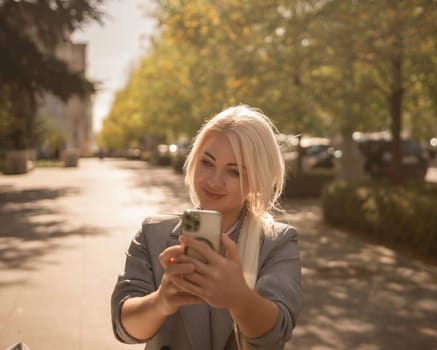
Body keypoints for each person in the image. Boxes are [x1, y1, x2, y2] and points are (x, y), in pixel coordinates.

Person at [111, 105, 303, 350]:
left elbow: (276, 333)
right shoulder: (153, 233)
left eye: (234, 172)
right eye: (207, 162)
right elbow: (124, 328)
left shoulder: (277, 242)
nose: (214, 181)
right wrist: (161, 301)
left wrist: (239, 298)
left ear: (257, 180)